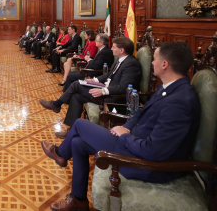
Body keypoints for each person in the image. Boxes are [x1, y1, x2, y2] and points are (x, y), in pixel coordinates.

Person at [41, 42, 200, 211]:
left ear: (164, 64)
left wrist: (125, 136)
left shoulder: (180, 102)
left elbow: (154, 151)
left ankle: (60, 154)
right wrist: (125, 127)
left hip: (147, 164)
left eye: (154, 59)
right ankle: (78, 200)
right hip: (135, 143)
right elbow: (141, 113)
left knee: (80, 124)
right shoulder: (169, 88)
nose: (152, 63)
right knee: (77, 143)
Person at [40, 37, 141, 138]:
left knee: (76, 84)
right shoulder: (121, 60)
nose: (111, 49)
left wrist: (103, 91)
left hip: (113, 98)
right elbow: (109, 75)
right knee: (76, 96)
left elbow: (124, 87)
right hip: (106, 90)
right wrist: (95, 80)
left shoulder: (131, 64)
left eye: (114, 47)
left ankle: (57, 104)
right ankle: (71, 131)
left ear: (122, 50)